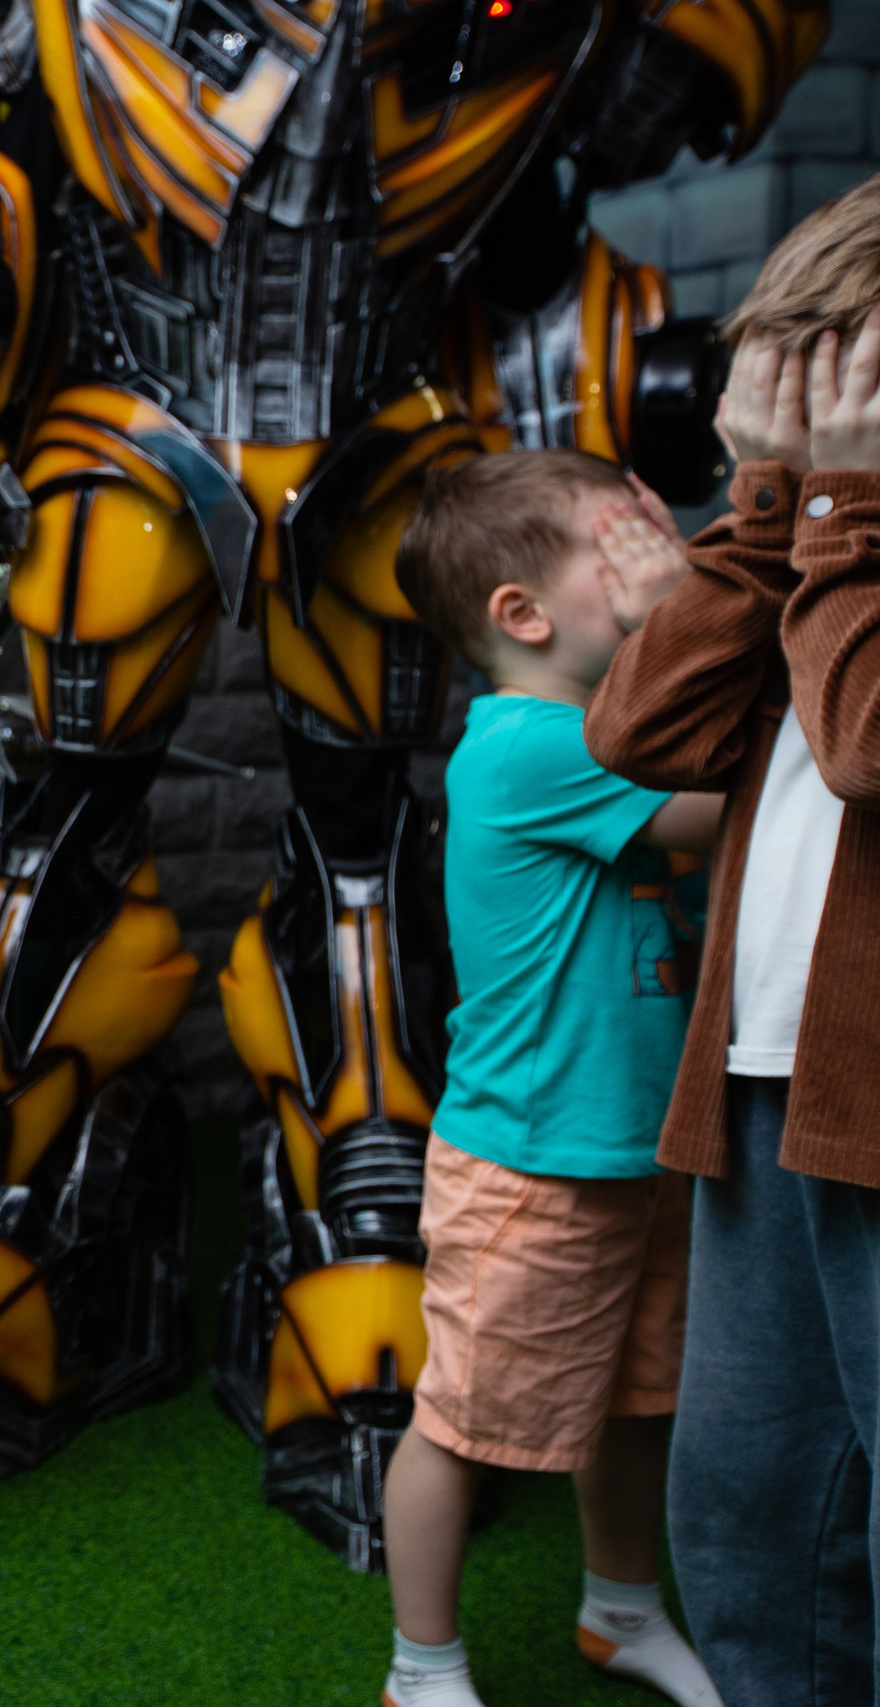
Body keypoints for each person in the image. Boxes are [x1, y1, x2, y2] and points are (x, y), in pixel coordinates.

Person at [584, 174, 880, 1707]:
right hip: (769, 1103)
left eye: (840, 373)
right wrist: (768, 509)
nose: (812, 412)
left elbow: (866, 746)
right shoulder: (830, 545)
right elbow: (638, 727)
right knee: (751, 1526)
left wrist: (838, 510)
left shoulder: (858, 545)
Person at [380, 452, 725, 1707]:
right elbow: (712, 804)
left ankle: (618, 1612)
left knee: (641, 1403)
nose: (654, 556)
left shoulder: (590, 729)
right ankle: (421, 1669)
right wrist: (690, 610)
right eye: (620, 546)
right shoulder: (532, 745)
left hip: (638, 1150)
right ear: (521, 616)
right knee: (463, 1429)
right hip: (531, 1167)